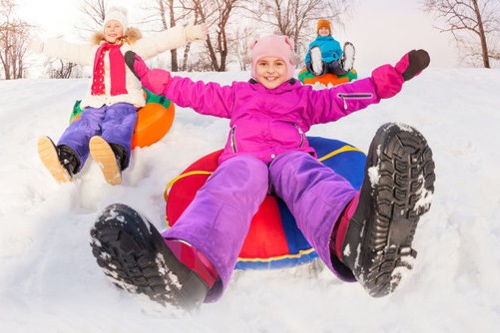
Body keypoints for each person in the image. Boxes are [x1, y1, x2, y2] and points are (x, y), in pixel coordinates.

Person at [90, 34, 434, 310]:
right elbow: (193, 92)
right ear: (254, 67)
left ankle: (358, 239)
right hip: (247, 160)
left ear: (290, 67)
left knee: (310, 179)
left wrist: (390, 78)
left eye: (279, 64)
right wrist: (152, 79)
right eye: (264, 64)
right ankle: (188, 269)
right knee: (228, 188)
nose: (271, 70)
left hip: (289, 156)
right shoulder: (238, 95)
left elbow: (344, 96)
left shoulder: (304, 98)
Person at [30, 6, 210, 185]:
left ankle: (114, 156)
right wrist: (44, 46)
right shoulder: (94, 52)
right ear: (103, 30)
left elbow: (159, 42)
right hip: (97, 101)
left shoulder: (132, 48)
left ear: (124, 30)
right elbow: (69, 50)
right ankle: (67, 158)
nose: (112, 30)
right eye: (108, 26)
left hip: (124, 99)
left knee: (118, 120)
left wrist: (186, 34)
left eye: (117, 26)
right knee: (85, 124)